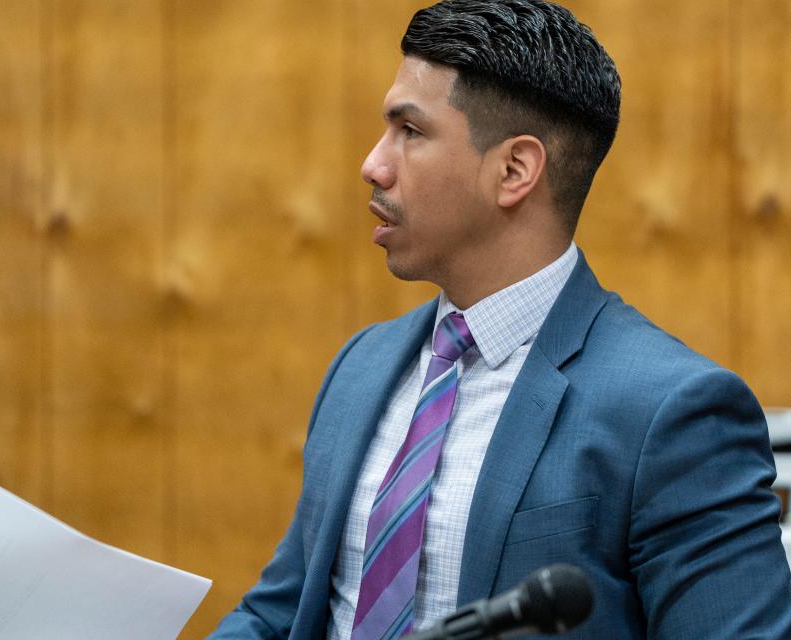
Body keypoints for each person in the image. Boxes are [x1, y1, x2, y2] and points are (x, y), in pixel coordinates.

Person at [209, 1, 791, 638]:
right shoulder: (360, 367)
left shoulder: (672, 413)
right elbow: (280, 613)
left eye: (411, 131)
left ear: (514, 170)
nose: (373, 165)